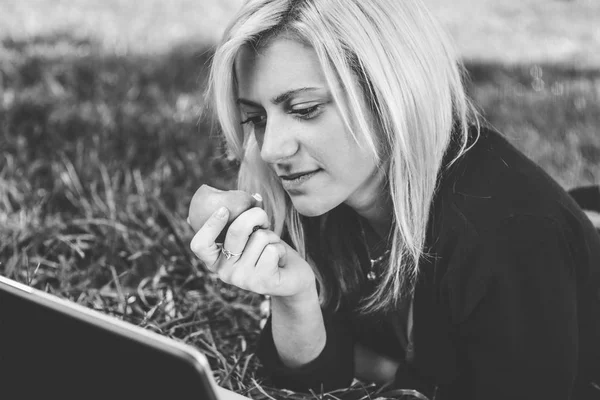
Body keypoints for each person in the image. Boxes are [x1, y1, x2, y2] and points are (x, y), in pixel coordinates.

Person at [189, 0, 600, 399]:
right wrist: (294, 297)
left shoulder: (509, 234)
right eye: (256, 118)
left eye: (305, 109)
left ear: (391, 94)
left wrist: (389, 370)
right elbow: (315, 376)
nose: (270, 149)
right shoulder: (329, 189)